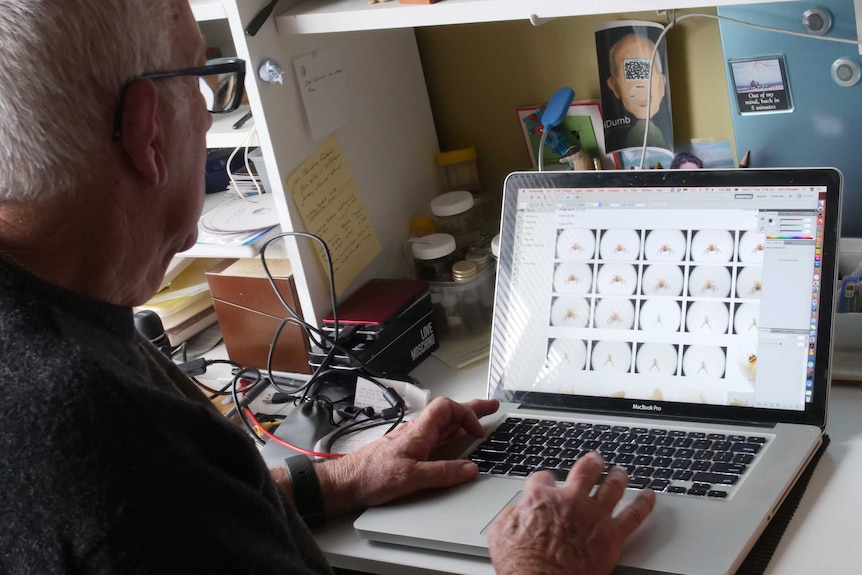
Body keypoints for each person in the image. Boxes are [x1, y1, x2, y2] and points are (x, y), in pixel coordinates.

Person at [0, 1, 655, 574]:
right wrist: (540, 563)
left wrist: (344, 477)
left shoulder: (59, 315)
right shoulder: (102, 431)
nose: (206, 115)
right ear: (146, 132)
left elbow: (184, 516)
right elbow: (152, 506)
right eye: (201, 77)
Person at [603, 31, 672, 150]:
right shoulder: (611, 139)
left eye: (646, 71)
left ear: (662, 81)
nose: (641, 87)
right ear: (614, 86)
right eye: (631, 72)